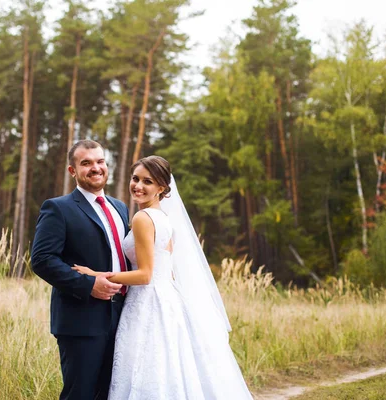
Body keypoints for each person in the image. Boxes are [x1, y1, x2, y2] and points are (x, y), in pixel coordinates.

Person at [74, 155, 254, 399]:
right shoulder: (164, 219)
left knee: (145, 366)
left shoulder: (142, 218)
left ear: (162, 188)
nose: (138, 186)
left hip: (147, 303)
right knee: (169, 366)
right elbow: (165, 270)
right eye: (135, 178)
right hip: (167, 300)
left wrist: (95, 275)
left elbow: (146, 275)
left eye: (147, 181)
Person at [31, 140, 130, 400]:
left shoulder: (120, 208)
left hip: (124, 316)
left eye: (100, 161)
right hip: (81, 319)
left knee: (113, 393)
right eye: (86, 163)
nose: (95, 168)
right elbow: (42, 260)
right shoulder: (58, 208)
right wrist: (89, 285)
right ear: (72, 171)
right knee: (81, 394)